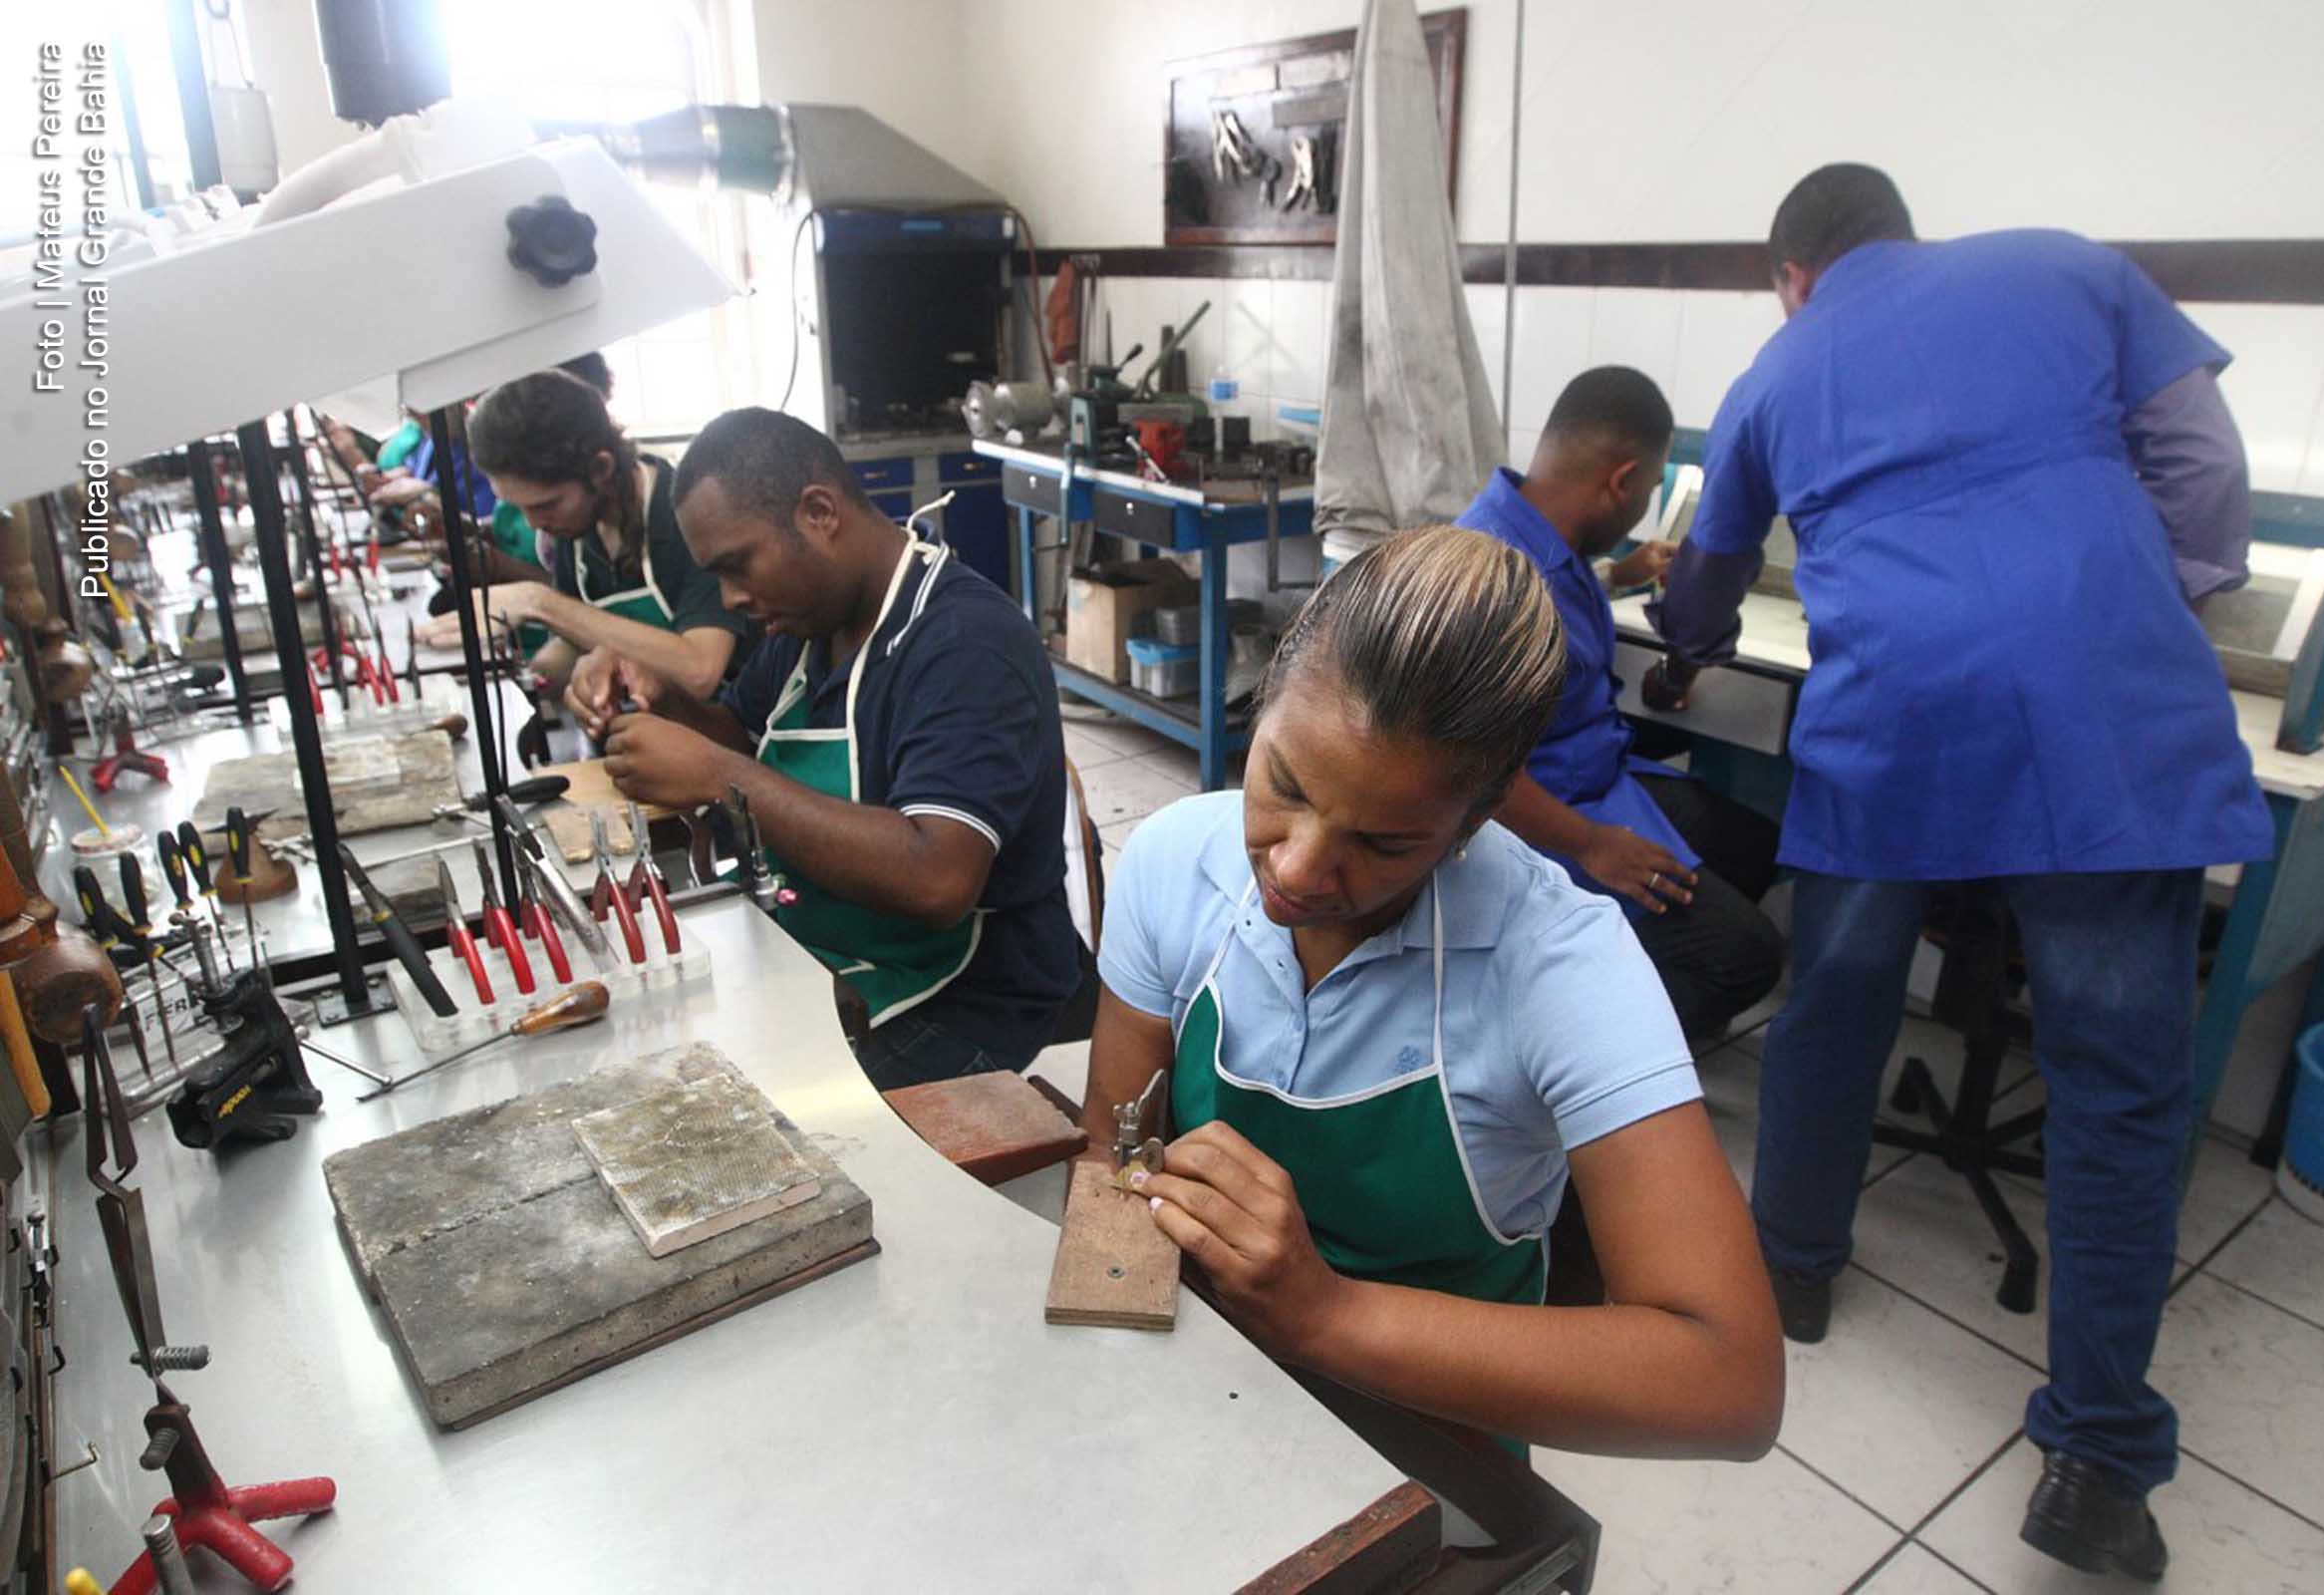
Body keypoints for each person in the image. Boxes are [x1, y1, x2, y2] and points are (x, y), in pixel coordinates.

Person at [1646, 163, 2271, 1581]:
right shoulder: (2067, 264)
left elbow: (1709, 578)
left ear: (1791, 275)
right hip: (2109, 710)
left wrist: (1685, 635)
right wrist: (2135, 600)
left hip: (1901, 718)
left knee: (1837, 997)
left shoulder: (1776, 369)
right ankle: (2097, 1459)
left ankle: (1792, 1271)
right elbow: (2204, 470)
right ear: (1900, 234)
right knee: (2119, 1084)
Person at [1082, 525, 1782, 1458]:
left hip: (1437, 1439)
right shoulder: (1177, 863)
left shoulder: (1559, 965)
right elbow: (1112, 1147)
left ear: (1477, 817)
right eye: (1284, 783)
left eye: (1384, 843)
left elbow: (1729, 1386)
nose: (1297, 869)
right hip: (1209, 1373)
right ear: (1267, 697)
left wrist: (1325, 1315)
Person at [570, 408, 1081, 1090]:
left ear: (819, 513)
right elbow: (745, 738)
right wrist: (665, 700)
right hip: (832, 951)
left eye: (737, 566)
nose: (731, 598)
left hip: (969, 1000)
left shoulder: (965, 645)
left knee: (751, 1124)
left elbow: (937, 879)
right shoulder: (809, 622)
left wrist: (719, 776)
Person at [1459, 367, 1785, 1041]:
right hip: (1533, 821)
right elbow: (1461, 768)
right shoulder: (1493, 580)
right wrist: (1591, 845)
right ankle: (1559, 1056)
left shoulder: (1539, 536)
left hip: (1594, 779)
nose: (1642, 508)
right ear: (1623, 482)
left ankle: (1613, 968)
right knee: (1748, 958)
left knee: (1754, 847)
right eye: (1650, 488)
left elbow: (1553, 606)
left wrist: (1620, 575)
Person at [421, 368, 751, 703]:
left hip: (723, 723)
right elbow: (578, 638)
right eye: (520, 507)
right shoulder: (578, 523)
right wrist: (525, 677)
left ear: (601, 468)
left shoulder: (686, 515)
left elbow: (699, 671)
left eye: (546, 504)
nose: (534, 524)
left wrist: (538, 603)